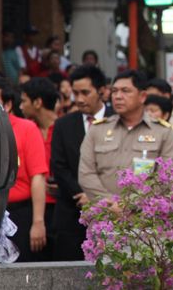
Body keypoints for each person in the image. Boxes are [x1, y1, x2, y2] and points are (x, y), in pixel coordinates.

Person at [0, 76, 48, 262]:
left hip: (20, 213)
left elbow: (38, 177)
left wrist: (38, 222)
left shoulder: (27, 128)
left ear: (7, 105)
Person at [78, 70, 173, 202]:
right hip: (103, 215)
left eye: (125, 91)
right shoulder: (97, 130)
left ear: (142, 96)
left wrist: (129, 205)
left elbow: (165, 179)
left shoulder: (163, 132)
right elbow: (86, 174)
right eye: (114, 91)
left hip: (143, 217)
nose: (118, 96)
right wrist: (109, 202)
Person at [50, 65, 110, 261]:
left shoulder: (117, 121)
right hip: (72, 211)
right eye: (76, 93)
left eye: (86, 92)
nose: (80, 99)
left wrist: (97, 197)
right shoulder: (63, 124)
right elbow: (59, 166)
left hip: (111, 211)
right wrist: (81, 195)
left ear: (101, 91)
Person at [19, 77, 61, 260]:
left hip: (60, 207)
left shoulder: (65, 128)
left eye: (24, 101)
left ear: (37, 102)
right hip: (32, 208)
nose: (20, 106)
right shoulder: (26, 130)